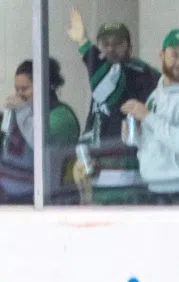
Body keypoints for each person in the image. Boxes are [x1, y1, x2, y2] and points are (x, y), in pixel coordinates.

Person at [119, 28, 179, 204]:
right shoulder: (157, 94)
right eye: (175, 55)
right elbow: (153, 142)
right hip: (152, 187)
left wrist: (148, 117)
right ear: (162, 55)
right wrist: (134, 134)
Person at [67, 7, 160, 142]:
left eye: (118, 44)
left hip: (127, 151)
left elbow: (110, 77)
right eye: (105, 44)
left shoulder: (142, 72)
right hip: (100, 150)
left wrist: (83, 42)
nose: (111, 48)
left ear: (130, 48)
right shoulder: (99, 76)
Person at [0, 58, 80, 204]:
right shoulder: (20, 115)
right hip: (9, 198)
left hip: (45, 199)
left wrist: (23, 110)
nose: (19, 95)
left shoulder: (61, 116)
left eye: (25, 89)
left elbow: (40, 142)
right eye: (17, 89)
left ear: (44, 87)